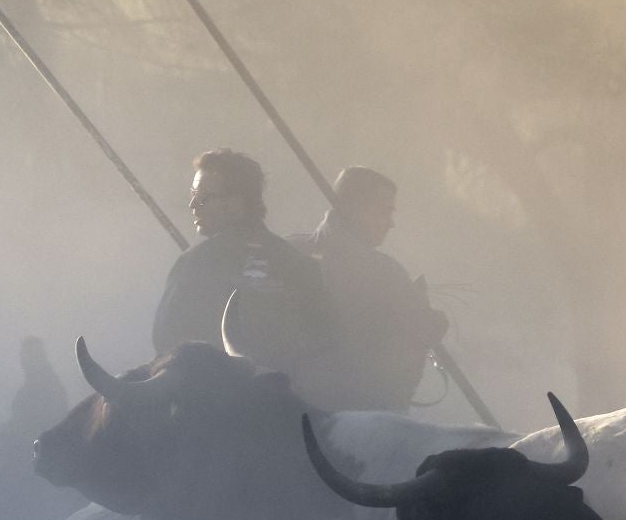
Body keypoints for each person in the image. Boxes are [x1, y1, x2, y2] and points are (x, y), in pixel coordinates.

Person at [151, 149, 330, 380]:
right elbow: (327, 340)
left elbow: (165, 341)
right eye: (193, 194)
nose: (193, 204)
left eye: (203, 197)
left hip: (217, 396)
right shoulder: (299, 264)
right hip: (286, 396)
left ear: (235, 203)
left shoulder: (194, 263)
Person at [289, 166, 448, 411]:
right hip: (360, 416)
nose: (391, 223)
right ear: (355, 209)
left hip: (287, 410)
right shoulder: (385, 273)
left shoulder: (288, 250)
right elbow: (409, 347)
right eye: (384, 211)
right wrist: (434, 323)